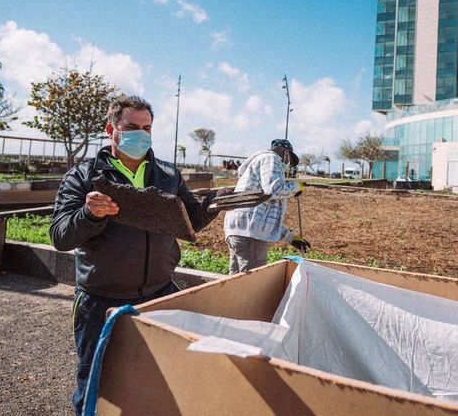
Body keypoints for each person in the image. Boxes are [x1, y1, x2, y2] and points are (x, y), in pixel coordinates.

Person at [50, 95, 226, 416]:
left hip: (160, 295)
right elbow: (61, 235)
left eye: (147, 128)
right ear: (111, 130)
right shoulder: (83, 177)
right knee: (96, 385)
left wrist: (214, 206)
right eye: (131, 127)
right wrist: (89, 214)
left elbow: (190, 221)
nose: (141, 135)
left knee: (160, 378)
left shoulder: (167, 175)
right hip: (101, 302)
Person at [223, 138, 311, 274]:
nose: (287, 166)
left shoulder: (259, 165)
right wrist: (296, 186)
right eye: (289, 162)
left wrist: (290, 237)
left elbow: (263, 218)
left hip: (240, 229)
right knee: (252, 282)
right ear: (286, 153)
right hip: (250, 235)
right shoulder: (271, 159)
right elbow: (274, 189)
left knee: (235, 280)